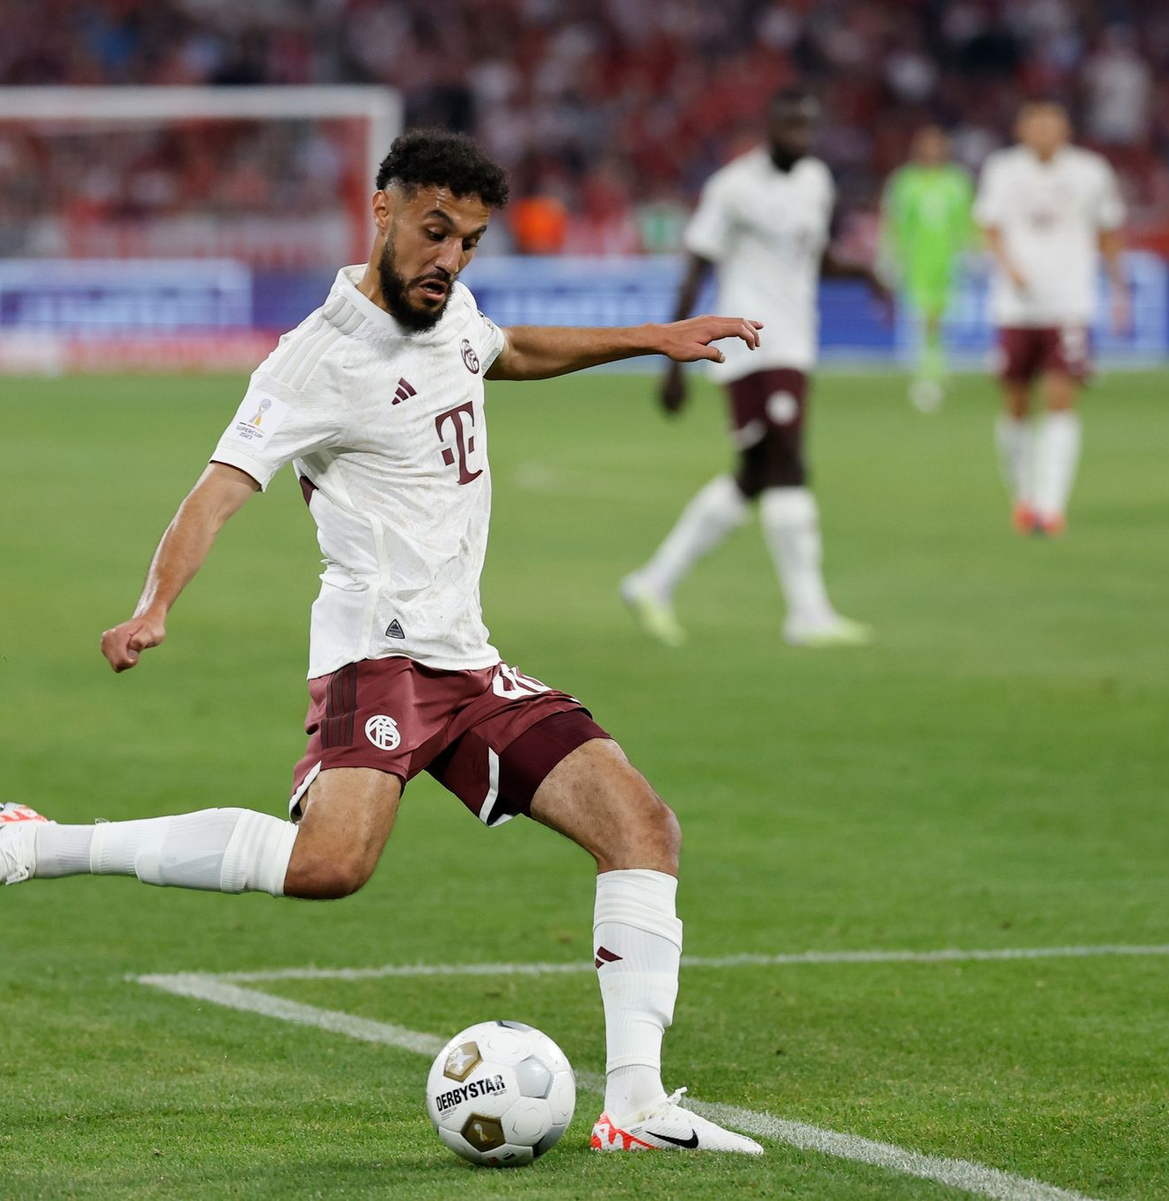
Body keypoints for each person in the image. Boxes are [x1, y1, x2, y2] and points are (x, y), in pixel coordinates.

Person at [0, 130, 764, 1157]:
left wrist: (652, 337)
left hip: (468, 655)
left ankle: (636, 1105)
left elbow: (509, 351)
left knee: (642, 826)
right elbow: (219, 489)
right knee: (331, 866)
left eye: (471, 242)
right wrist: (154, 605)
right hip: (381, 655)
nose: (449, 258)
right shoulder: (319, 357)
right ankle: (39, 843)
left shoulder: (453, 316)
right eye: (435, 230)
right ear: (383, 211)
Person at [619, 88, 885, 649]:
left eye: (806, 125)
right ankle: (807, 613)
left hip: (796, 341)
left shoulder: (816, 180)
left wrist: (866, 275)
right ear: (769, 125)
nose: (799, 135)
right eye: (789, 124)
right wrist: (670, 357)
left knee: (755, 474)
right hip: (752, 343)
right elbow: (697, 265)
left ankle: (652, 582)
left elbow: (815, 256)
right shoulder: (734, 188)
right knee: (789, 461)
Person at [975, 101, 1128, 536]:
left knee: (1060, 397)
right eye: (1035, 123)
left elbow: (1109, 229)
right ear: (1022, 129)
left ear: (1066, 129)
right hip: (1015, 306)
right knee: (1016, 403)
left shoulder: (1091, 171)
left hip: (1069, 303)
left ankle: (1051, 504)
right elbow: (989, 226)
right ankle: (1023, 495)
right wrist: (1011, 267)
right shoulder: (1002, 169)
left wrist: (1118, 290)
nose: (1043, 130)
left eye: (1051, 123)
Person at [880, 124, 974, 412]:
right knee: (923, 320)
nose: (932, 150)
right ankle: (926, 374)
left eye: (937, 145)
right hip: (917, 262)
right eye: (927, 145)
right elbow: (894, 222)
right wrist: (890, 256)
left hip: (949, 263)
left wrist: (973, 251)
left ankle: (938, 369)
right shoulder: (905, 182)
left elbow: (968, 222)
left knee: (943, 320)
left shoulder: (957, 182)